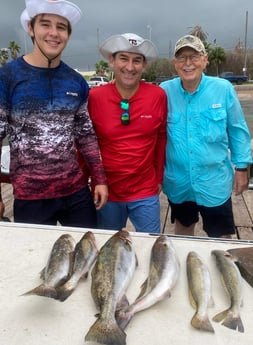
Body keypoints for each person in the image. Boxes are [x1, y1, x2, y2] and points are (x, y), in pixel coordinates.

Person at [0, 0, 108, 227]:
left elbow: (85, 135)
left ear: (68, 34)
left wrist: (99, 178)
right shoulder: (7, 78)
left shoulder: (76, 81)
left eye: (61, 27)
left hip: (75, 191)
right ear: (31, 28)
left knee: (87, 253)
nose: (53, 33)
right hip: (30, 197)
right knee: (33, 259)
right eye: (45, 24)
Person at [160, 34, 252, 238]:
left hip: (214, 182)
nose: (188, 63)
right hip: (178, 182)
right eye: (182, 57)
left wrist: (243, 167)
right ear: (175, 63)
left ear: (205, 59)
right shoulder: (163, 92)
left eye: (194, 56)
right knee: (183, 230)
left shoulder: (223, 89)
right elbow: (153, 135)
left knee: (221, 238)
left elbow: (238, 130)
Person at [81, 33, 167, 233]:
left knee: (151, 243)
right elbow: (84, 144)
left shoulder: (158, 95)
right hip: (107, 191)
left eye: (137, 60)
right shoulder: (94, 97)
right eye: (123, 59)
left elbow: (161, 139)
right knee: (108, 248)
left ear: (144, 65)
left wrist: (159, 178)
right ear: (111, 61)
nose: (130, 67)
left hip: (145, 190)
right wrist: (87, 182)